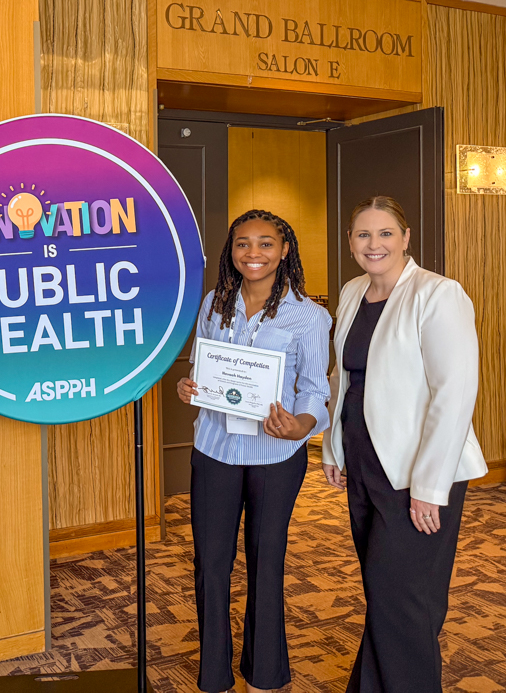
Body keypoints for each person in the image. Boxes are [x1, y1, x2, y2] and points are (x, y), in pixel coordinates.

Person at [322, 196, 487, 692]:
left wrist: (429, 486)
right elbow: (343, 378)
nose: (375, 244)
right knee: (388, 592)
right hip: (364, 462)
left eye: (386, 233)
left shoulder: (438, 294)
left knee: (402, 599)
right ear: (351, 243)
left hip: (417, 472)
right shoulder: (353, 292)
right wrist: (333, 447)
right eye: (364, 235)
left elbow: (454, 394)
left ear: (406, 238)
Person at [177, 209, 331, 693]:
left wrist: (302, 425)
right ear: (232, 251)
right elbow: (202, 367)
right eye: (243, 244)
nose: (254, 254)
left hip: (276, 456)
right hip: (215, 449)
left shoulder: (309, 315)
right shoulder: (212, 304)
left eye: (266, 243)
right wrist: (190, 387)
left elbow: (314, 390)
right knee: (211, 563)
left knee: (267, 561)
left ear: (285, 250)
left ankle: (265, 673)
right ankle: (214, 675)